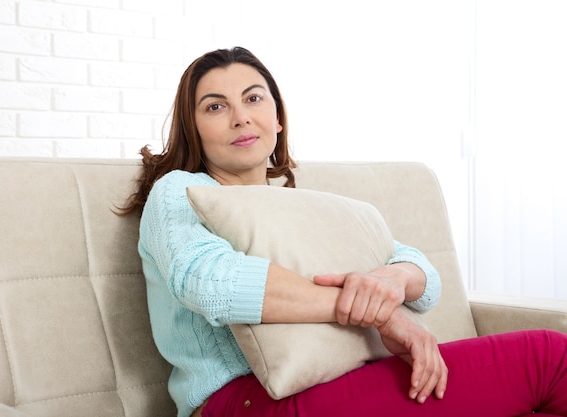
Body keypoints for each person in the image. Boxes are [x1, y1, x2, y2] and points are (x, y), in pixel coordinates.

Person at [119, 47, 567, 417]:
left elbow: (423, 280)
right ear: (193, 128)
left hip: (330, 384)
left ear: (278, 118)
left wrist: (390, 280)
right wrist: (381, 315)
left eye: (254, 99)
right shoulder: (179, 191)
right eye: (215, 107)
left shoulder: (294, 201)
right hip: (243, 402)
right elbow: (211, 284)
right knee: (550, 359)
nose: (240, 117)